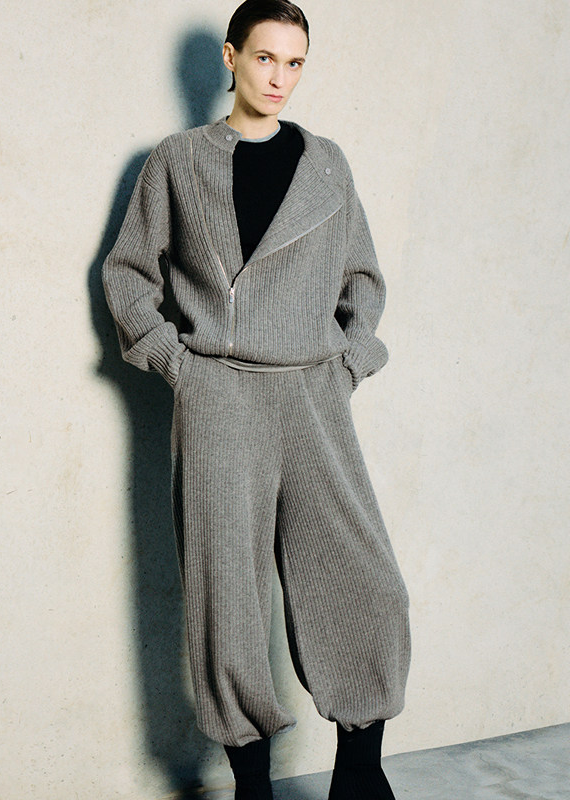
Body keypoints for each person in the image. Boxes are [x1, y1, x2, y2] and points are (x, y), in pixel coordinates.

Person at [102, 1, 410, 797]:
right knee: (226, 591)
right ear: (232, 57)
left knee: (363, 578)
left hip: (312, 392)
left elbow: (363, 278)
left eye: (295, 62)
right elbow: (128, 273)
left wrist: (350, 361)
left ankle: (360, 774)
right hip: (219, 398)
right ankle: (251, 783)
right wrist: (178, 363)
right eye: (266, 57)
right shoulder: (177, 161)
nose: (280, 77)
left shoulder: (327, 164)